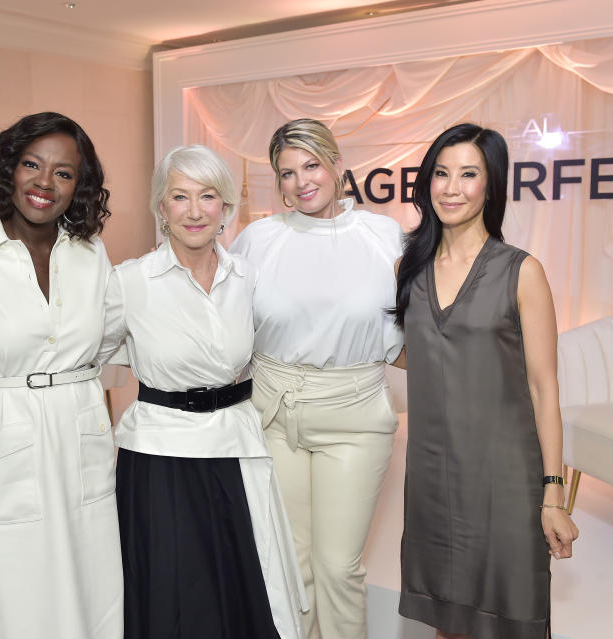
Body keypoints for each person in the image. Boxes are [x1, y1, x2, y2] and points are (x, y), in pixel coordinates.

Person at [98, 144, 307, 639]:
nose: (195, 211)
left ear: (226, 209)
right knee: (172, 597)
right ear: (161, 209)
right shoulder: (129, 282)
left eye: (208, 196)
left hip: (234, 448)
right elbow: (98, 366)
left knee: (242, 591)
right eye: (180, 197)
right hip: (158, 457)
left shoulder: (248, 280)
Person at [0, 112, 122, 638]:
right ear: (7, 169)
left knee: (93, 581)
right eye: (31, 164)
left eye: (64, 173)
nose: (44, 183)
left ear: (79, 186)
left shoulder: (90, 252)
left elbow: (105, 339)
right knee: (15, 589)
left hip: (80, 432)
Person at [393, 123, 579, 639]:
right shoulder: (407, 269)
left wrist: (552, 495)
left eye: (468, 174)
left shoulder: (522, 271)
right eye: (441, 173)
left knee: (509, 616)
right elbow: (420, 357)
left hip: (504, 479)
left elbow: (544, 390)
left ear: (491, 185)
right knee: (447, 620)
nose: (451, 188)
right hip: (432, 475)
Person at [230, 118, 404, 639]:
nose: (301, 181)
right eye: (287, 172)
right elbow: (229, 329)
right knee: (291, 565)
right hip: (272, 412)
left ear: (336, 165)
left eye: (311, 166)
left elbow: (412, 334)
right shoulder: (257, 240)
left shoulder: (384, 235)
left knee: (337, 568)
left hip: (354, 413)